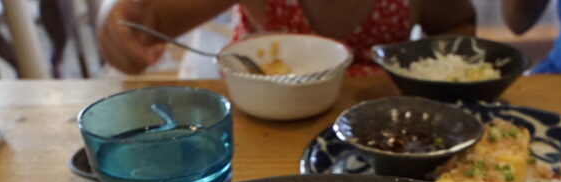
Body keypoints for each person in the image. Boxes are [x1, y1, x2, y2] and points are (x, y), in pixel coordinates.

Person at [96, 0, 478, 75]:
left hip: (377, 130)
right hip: (262, 123)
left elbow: (456, 27)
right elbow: (151, 16)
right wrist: (115, 19)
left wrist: (435, 73)